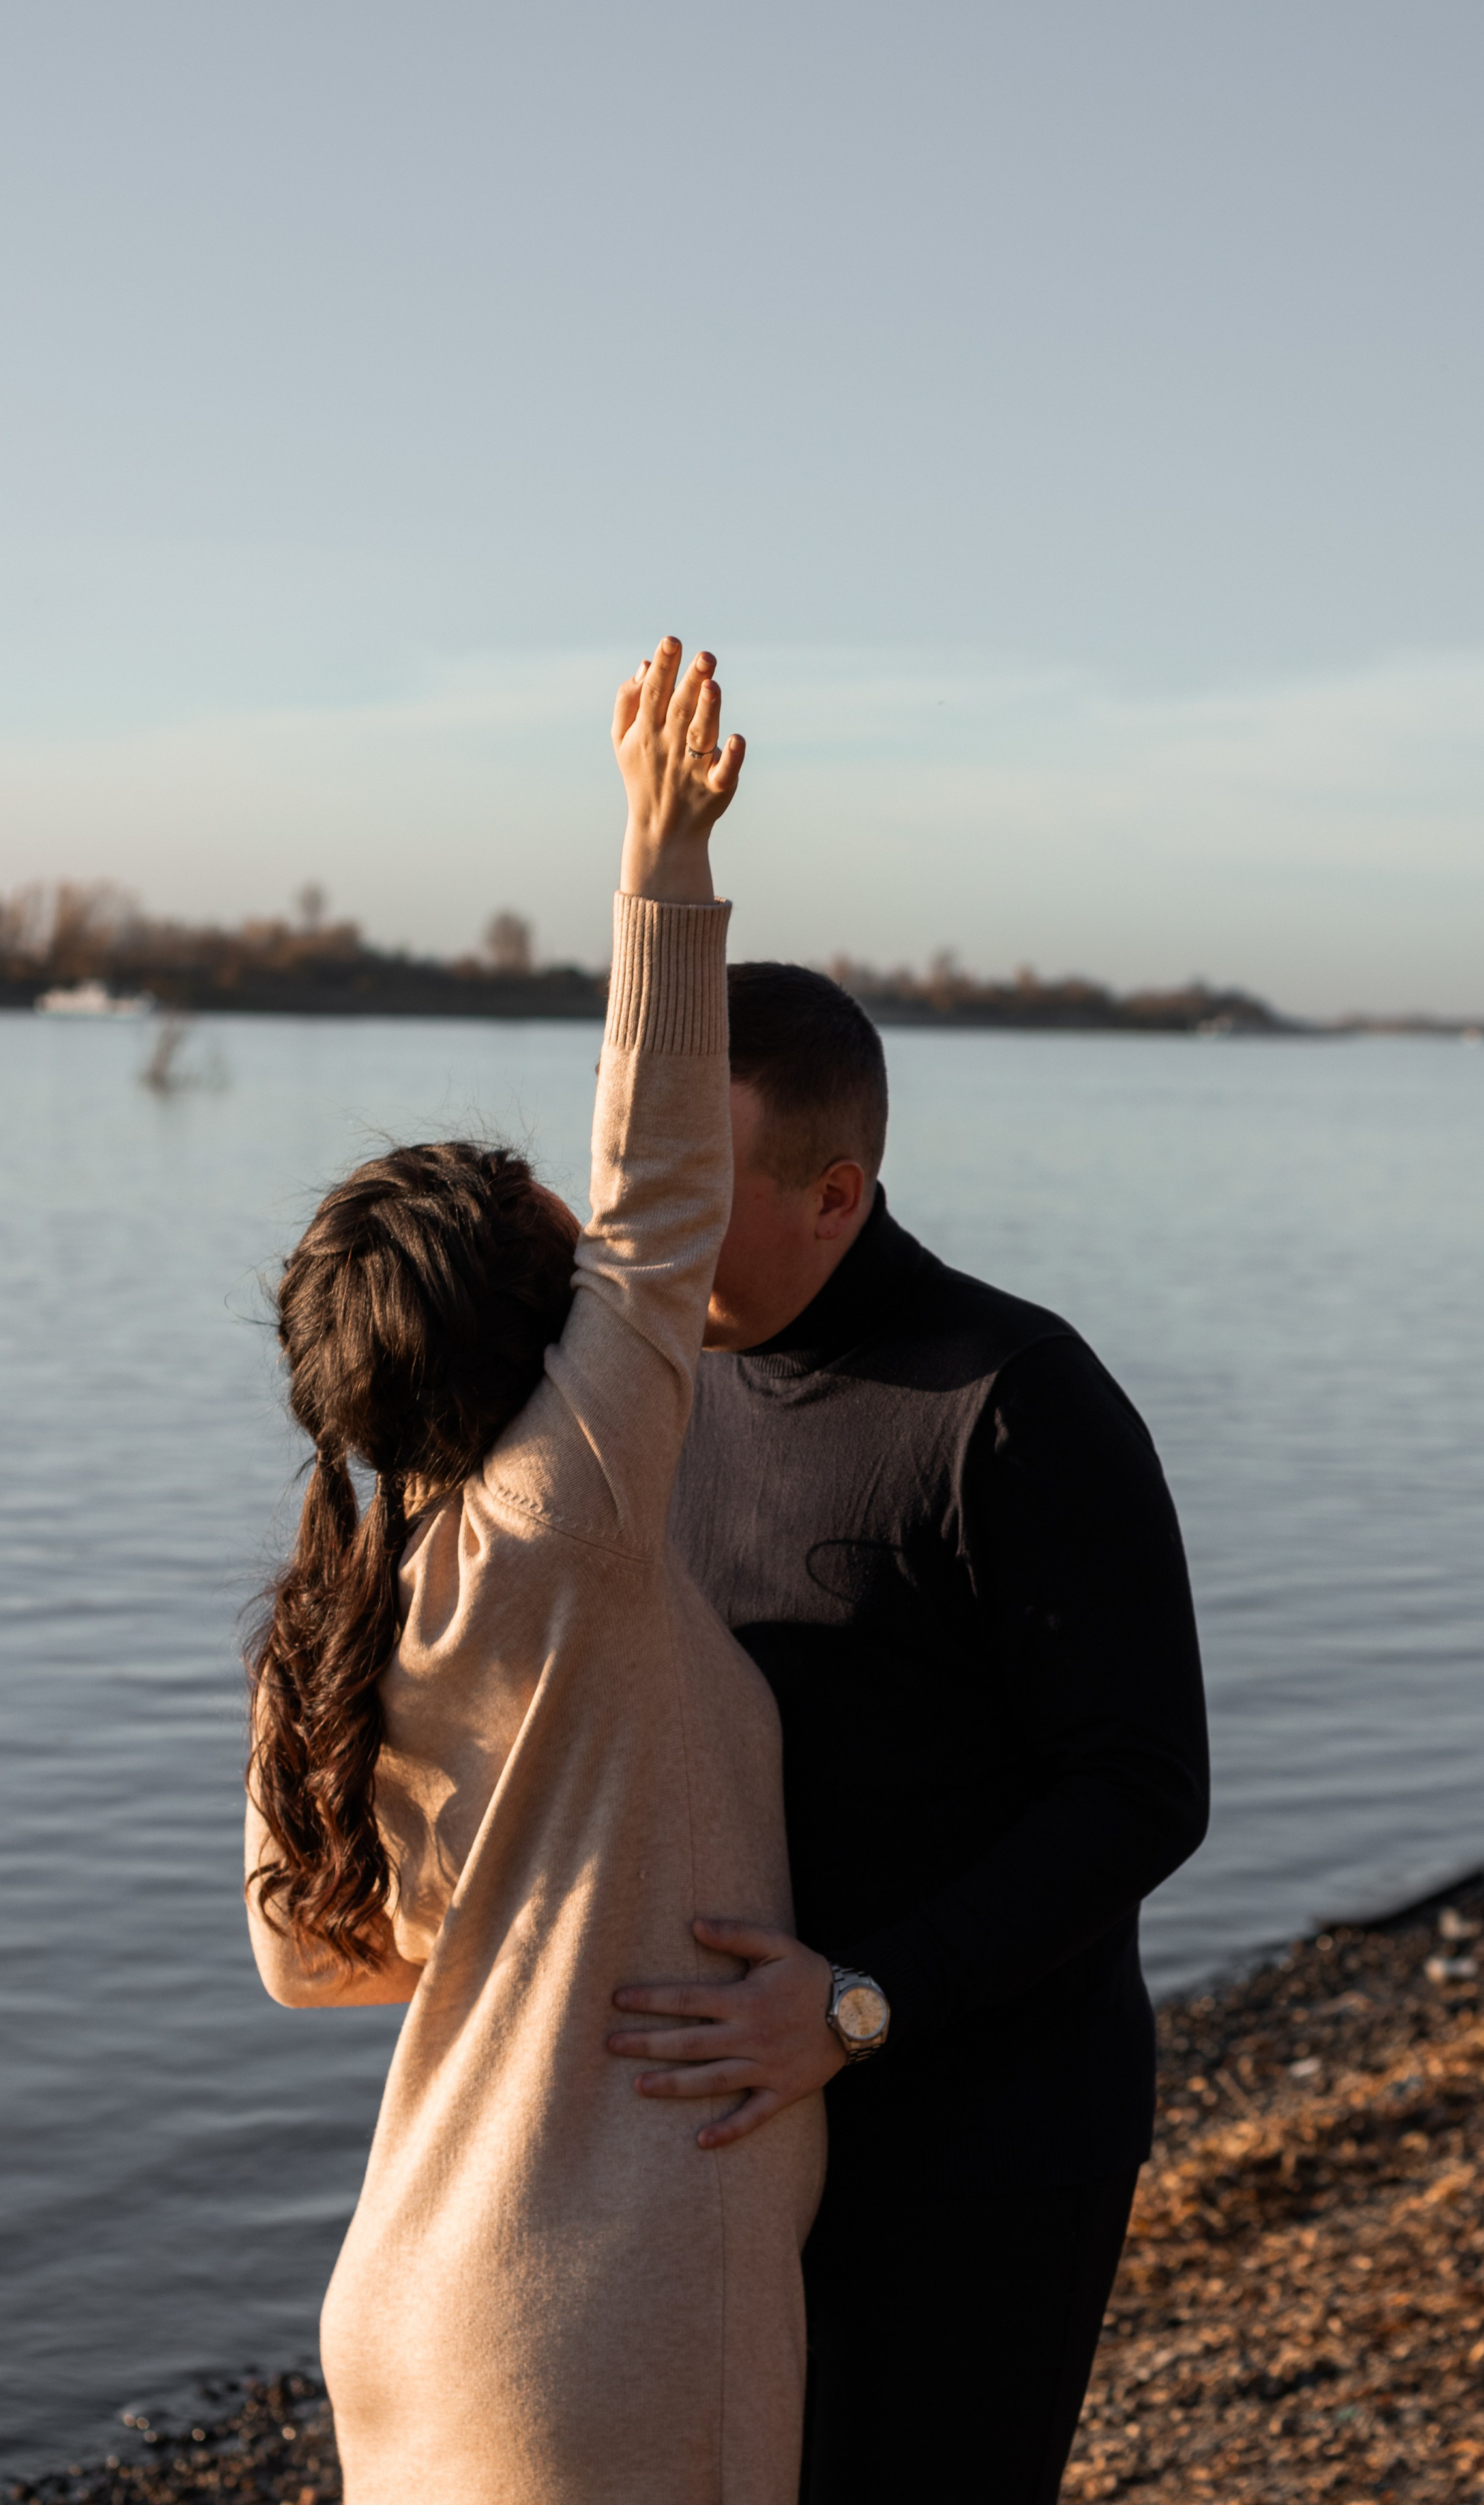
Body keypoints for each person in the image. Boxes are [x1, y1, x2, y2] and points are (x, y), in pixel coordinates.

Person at [243, 640, 825, 2505]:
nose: (597, 1249)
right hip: (611, 2318)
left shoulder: (335, 1611)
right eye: (551, 1234)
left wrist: (540, 1914)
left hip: (414, 2302)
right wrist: (663, 858)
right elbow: (662, 1195)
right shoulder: (562, 1520)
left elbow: (309, 1956)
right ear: (537, 1314)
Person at [608, 963, 1211, 2503]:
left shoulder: (1011, 1402)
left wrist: (861, 2004)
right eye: (639, 1173)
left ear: (834, 1193)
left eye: (697, 1185)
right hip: (749, 2114)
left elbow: (1142, 1791)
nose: (651, 1224)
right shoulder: (661, 1383)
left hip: (987, 2138)